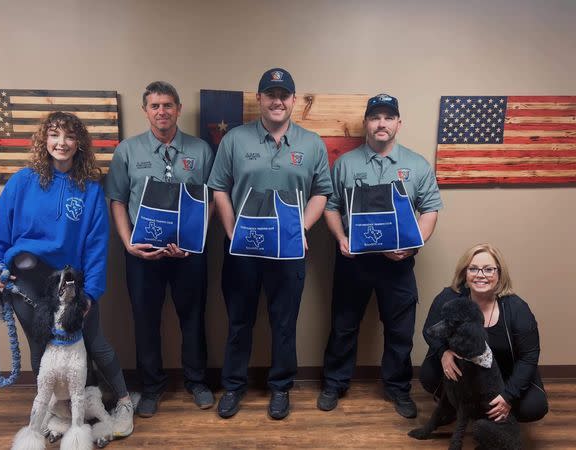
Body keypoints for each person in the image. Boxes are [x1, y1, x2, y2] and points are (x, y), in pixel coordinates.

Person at [0, 111, 134, 437]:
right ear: (43, 140)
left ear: (79, 144)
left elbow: (96, 246)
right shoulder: (21, 181)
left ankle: (123, 403)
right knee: (42, 347)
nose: (61, 143)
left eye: (68, 136)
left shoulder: (90, 189)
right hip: (24, 280)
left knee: (95, 342)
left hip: (70, 283)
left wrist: (90, 292)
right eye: (54, 135)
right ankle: (54, 414)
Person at [208, 68, 333, 420]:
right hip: (242, 251)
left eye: (284, 95)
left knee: (284, 323)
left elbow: (322, 192)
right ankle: (233, 387)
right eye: (270, 94)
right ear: (259, 99)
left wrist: (301, 229)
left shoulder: (311, 143)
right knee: (238, 323)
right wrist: (232, 232)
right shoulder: (234, 139)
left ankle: (281, 388)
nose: (277, 101)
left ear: (293, 100)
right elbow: (219, 187)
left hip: (289, 252)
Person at [317, 94, 442, 418]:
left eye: (388, 117)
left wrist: (414, 244)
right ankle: (334, 383)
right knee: (343, 326)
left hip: (398, 264)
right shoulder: (345, 164)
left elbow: (429, 210)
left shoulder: (416, 165)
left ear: (398, 123)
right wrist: (341, 237)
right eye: (375, 118)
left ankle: (398, 388)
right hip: (353, 262)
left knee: (400, 331)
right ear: (366, 124)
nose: (381, 123)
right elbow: (331, 208)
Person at [105, 81, 215, 418]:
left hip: (188, 254)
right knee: (145, 321)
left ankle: (196, 382)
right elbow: (118, 200)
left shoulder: (200, 150)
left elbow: (211, 198)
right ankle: (151, 387)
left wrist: (195, 240)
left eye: (168, 105)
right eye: (154, 106)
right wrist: (127, 244)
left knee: (194, 319)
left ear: (178, 108)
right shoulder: (128, 150)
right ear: (145, 111)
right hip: (142, 254)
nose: (162, 111)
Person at [419, 243, 548, 423]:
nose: (481, 275)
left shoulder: (517, 308)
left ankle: (492, 410)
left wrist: (508, 395)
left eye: (489, 269)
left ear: (499, 274)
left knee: (533, 407)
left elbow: (529, 355)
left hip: (504, 373)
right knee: (429, 374)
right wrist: (443, 352)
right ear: (465, 272)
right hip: (466, 370)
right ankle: (458, 406)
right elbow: (429, 330)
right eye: (473, 269)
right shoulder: (449, 297)